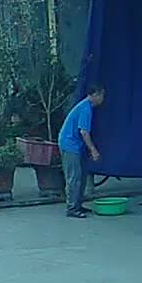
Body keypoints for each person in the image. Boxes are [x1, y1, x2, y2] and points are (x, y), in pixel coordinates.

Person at [57, 84, 106, 218]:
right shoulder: (85, 109)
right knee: (74, 177)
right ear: (95, 95)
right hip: (69, 145)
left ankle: (78, 204)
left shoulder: (86, 106)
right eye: (102, 95)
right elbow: (84, 132)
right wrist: (93, 150)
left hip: (75, 145)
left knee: (82, 176)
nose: (103, 98)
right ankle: (72, 208)